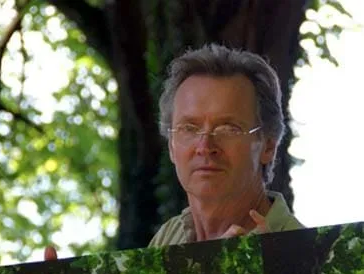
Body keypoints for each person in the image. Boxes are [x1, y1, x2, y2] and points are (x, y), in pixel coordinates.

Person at [45, 43, 302, 260]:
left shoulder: (306, 258)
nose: (205, 146)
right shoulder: (169, 238)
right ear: (171, 145)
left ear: (268, 146)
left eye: (228, 128)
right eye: (189, 128)